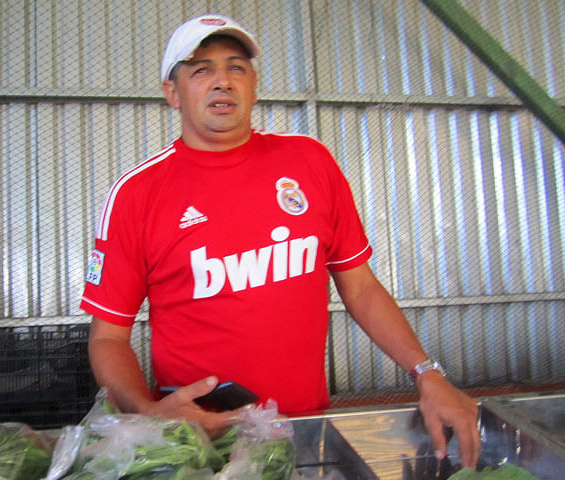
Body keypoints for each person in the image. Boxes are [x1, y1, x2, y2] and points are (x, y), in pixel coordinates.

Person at [80, 14, 481, 467]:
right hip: (203, 440)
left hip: (306, 427)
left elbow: (361, 287)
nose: (222, 82)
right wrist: (148, 411)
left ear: (253, 84)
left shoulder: (309, 162)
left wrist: (427, 373)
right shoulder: (138, 193)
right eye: (200, 70)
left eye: (236, 67)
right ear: (173, 92)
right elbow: (108, 338)